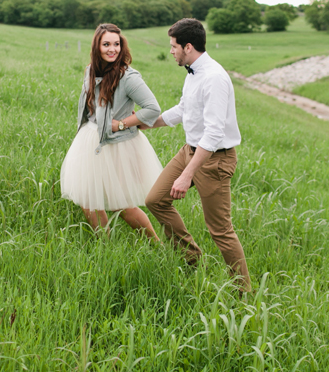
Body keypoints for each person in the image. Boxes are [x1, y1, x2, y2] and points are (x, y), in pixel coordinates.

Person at [142, 18, 251, 292]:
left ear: (188, 47)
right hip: (189, 150)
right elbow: (182, 110)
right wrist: (143, 123)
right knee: (155, 200)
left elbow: (214, 134)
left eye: (173, 46)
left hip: (214, 159)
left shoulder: (214, 78)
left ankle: (244, 293)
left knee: (220, 230)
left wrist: (187, 175)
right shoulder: (193, 72)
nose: (171, 52)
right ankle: (191, 257)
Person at [60, 23, 162, 239]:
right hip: (90, 139)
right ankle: (104, 247)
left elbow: (153, 108)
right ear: (97, 46)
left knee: (121, 204)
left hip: (118, 144)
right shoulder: (90, 70)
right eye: (106, 44)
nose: (112, 49)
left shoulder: (128, 77)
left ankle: (157, 246)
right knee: (88, 199)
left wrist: (123, 123)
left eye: (116, 44)